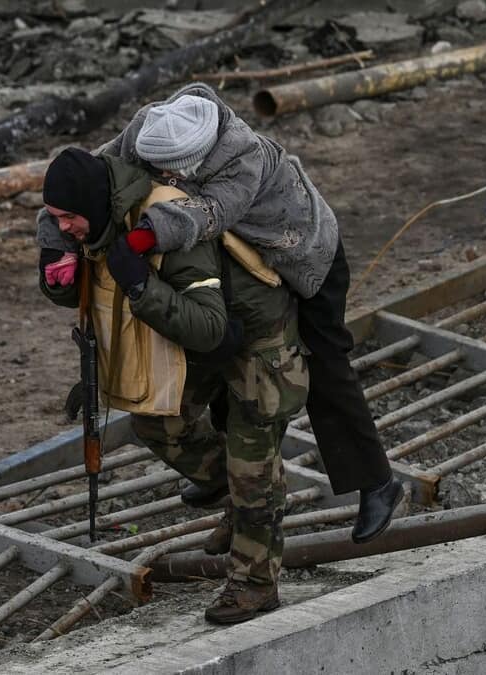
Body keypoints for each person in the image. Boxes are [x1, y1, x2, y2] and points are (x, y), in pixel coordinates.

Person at [94, 83, 403, 543]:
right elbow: (97, 173)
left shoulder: (243, 154)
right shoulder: (152, 127)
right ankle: (232, 494)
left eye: (172, 173)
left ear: (195, 158)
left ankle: (376, 481)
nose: (164, 178)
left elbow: (210, 212)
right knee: (229, 362)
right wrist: (55, 237)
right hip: (246, 265)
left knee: (321, 365)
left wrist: (141, 238)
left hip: (303, 255)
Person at [37, 147, 308, 624]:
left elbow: (207, 325)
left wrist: (141, 285)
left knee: (254, 467)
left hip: (258, 344)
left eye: (67, 218)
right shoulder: (104, 221)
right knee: (158, 422)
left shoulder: (167, 222)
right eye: (55, 219)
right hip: (203, 340)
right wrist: (60, 274)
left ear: (90, 203)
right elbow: (101, 296)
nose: (62, 228)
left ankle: (255, 585)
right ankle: (242, 502)